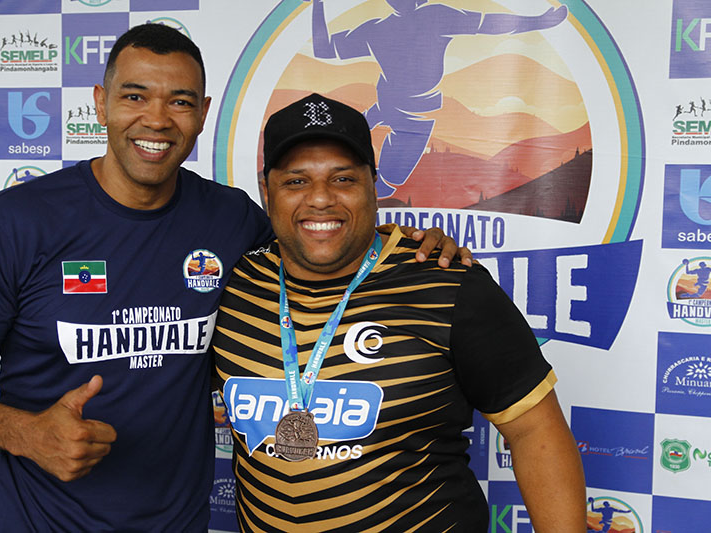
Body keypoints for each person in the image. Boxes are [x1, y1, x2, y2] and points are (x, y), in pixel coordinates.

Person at [0, 25, 467, 530]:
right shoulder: (18, 221)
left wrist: (400, 243)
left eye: (179, 102)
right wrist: (27, 434)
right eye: (135, 97)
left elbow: (320, 246)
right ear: (101, 104)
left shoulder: (232, 219)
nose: (157, 120)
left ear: (202, 114)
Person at [213, 93, 586, 532]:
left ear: (373, 185)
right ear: (266, 191)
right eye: (296, 181)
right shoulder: (234, 284)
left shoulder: (448, 283)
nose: (320, 199)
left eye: (343, 179)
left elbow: (535, 432)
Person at [306, 0, 568, 198]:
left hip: (405, 109)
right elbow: (324, 49)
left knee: (383, 181)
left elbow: (488, 23)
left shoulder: (424, 19)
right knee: (382, 183)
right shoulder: (391, 26)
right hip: (403, 110)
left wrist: (539, 21)